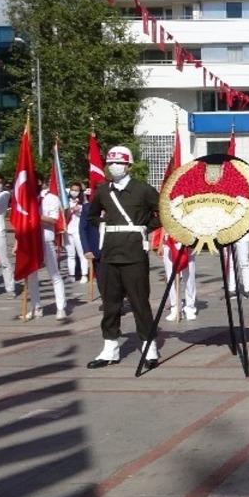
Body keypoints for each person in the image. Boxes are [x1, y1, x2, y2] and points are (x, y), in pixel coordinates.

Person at [86, 146, 161, 369]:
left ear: (129, 165)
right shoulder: (102, 191)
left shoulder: (143, 190)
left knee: (139, 302)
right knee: (110, 304)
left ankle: (150, 348)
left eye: (118, 163)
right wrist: (104, 225)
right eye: (110, 163)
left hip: (134, 254)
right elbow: (91, 216)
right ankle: (110, 349)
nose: (114, 167)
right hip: (109, 254)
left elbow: (163, 213)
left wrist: (145, 228)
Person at [26, 180, 68, 320]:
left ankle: (60, 307)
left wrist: (35, 217)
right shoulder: (26, 198)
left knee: (54, 274)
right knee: (31, 275)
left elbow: (54, 220)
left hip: (46, 239)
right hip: (30, 240)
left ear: (38, 181)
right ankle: (36, 307)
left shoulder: (51, 198)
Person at [162, 241, 197, 322]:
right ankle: (175, 307)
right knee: (170, 276)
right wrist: (160, 243)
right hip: (169, 242)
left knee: (189, 276)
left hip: (188, 241)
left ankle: (190, 308)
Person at [64, 182, 89, 283]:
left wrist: (80, 208)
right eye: (72, 189)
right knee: (70, 254)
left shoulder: (83, 203)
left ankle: (84, 275)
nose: (74, 192)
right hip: (67, 230)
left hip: (78, 231)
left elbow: (87, 214)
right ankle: (71, 275)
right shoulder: (65, 202)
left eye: (76, 190)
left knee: (81, 254)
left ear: (80, 192)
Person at [225, 233, 249, 300]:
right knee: (230, 262)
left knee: (244, 263)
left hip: (243, 234)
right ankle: (231, 289)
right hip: (229, 234)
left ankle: (248, 289)